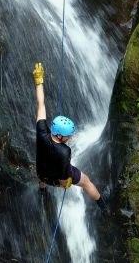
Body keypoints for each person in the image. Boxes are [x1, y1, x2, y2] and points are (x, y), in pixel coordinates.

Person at [32, 62, 105, 210]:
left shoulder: (41, 131)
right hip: (55, 180)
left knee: (42, 170)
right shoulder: (64, 152)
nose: (70, 137)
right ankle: (102, 205)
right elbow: (64, 179)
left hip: (41, 173)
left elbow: (41, 104)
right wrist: (66, 183)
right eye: (68, 136)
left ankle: (42, 190)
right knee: (86, 182)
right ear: (60, 136)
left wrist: (39, 81)